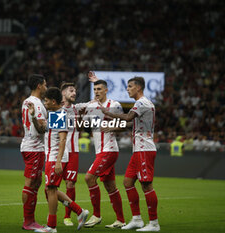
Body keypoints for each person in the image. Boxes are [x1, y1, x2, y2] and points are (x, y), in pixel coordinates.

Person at [99, 76, 160, 231]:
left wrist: (108, 112)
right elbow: (132, 123)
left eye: (130, 86)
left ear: (138, 88)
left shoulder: (141, 103)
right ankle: (137, 219)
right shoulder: (145, 104)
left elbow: (128, 117)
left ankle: (154, 223)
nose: (127, 89)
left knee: (146, 185)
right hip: (138, 150)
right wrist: (113, 128)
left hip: (144, 149)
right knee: (127, 182)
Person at [29, 87, 89, 233]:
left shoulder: (59, 115)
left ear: (53, 101)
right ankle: (79, 211)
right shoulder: (54, 114)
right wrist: (33, 117)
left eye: (46, 100)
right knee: (50, 190)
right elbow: (43, 130)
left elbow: (63, 140)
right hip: (52, 156)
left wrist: (58, 161)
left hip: (55, 156)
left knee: (50, 190)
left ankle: (52, 226)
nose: (45, 102)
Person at [80, 79, 126, 229]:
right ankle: (120, 220)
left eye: (100, 89)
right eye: (95, 89)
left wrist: (112, 127)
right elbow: (84, 122)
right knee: (110, 186)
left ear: (106, 90)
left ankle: (96, 215)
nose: (97, 91)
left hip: (110, 149)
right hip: (100, 150)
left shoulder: (115, 105)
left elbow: (124, 124)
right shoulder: (91, 106)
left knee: (89, 178)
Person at [20, 74, 48, 230]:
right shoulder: (36, 104)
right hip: (35, 147)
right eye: (45, 84)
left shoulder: (27, 101)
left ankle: (29, 220)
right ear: (39, 85)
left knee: (36, 182)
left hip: (29, 145)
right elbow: (41, 128)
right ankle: (28, 221)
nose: (46, 87)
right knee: (31, 183)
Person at [60, 82, 88, 226]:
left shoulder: (77, 108)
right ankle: (51, 215)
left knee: (70, 184)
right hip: (58, 152)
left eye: (75, 91)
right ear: (63, 93)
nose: (74, 93)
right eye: (71, 91)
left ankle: (67, 216)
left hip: (73, 152)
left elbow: (94, 103)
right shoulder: (56, 110)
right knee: (52, 186)